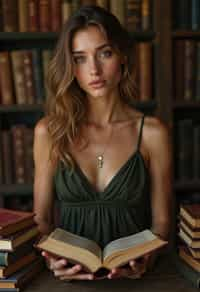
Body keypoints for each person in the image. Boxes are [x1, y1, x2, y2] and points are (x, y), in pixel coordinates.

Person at [33, 5, 172, 281]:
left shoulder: (152, 133)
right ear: (70, 66)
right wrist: (52, 262)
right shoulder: (50, 132)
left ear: (122, 56)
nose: (94, 69)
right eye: (80, 58)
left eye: (104, 53)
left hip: (139, 281)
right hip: (69, 281)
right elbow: (42, 220)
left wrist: (146, 259)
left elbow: (162, 222)